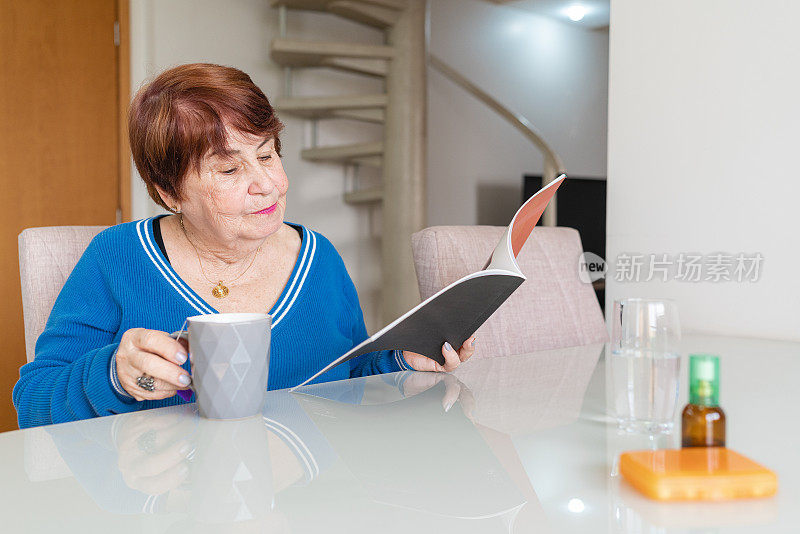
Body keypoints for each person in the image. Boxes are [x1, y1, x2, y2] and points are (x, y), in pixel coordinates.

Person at [13, 63, 475, 428]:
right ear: (170, 192)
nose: (266, 185)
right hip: (180, 505)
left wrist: (401, 361)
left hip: (310, 504)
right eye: (229, 170)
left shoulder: (319, 257)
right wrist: (114, 377)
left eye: (268, 154)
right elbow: (34, 402)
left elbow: (346, 378)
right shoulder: (117, 257)